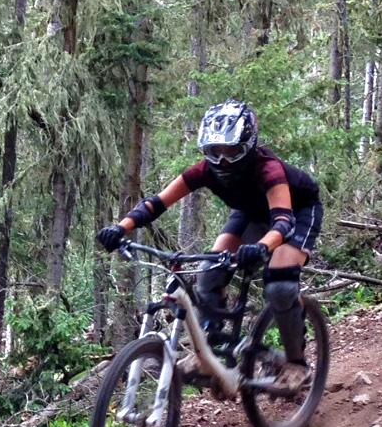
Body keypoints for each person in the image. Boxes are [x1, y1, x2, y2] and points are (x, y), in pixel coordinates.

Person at [97, 101, 323, 387]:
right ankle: (209, 347)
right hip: (250, 211)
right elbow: (157, 202)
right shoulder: (204, 171)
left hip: (298, 211)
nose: (223, 160)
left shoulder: (269, 170)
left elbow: (282, 222)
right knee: (210, 271)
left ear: (249, 146)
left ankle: (297, 364)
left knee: (280, 284)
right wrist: (121, 228)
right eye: (215, 151)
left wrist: (263, 248)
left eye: (231, 151)